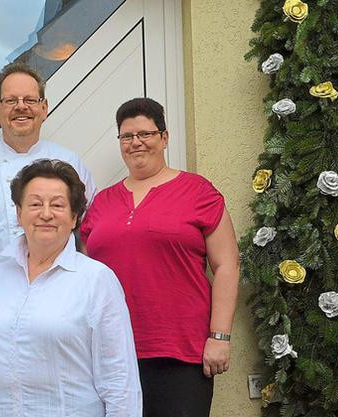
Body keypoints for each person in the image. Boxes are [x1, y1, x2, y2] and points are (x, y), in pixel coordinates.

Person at [0, 61, 96, 385]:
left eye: (30, 100)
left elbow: (90, 239)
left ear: (44, 107)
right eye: (11, 101)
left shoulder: (71, 164)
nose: (21, 108)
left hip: (58, 320)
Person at [80, 98, 240, 417]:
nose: (136, 142)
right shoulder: (101, 203)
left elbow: (227, 265)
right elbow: (85, 274)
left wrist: (219, 336)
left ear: (164, 138)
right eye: (127, 136)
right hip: (109, 352)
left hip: (180, 351)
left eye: (146, 133)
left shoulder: (198, 192)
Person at [0, 159, 141, 417]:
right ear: (19, 214)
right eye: (35, 204)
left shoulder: (96, 280)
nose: (46, 213)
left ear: (74, 217)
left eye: (58, 205)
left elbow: (120, 381)